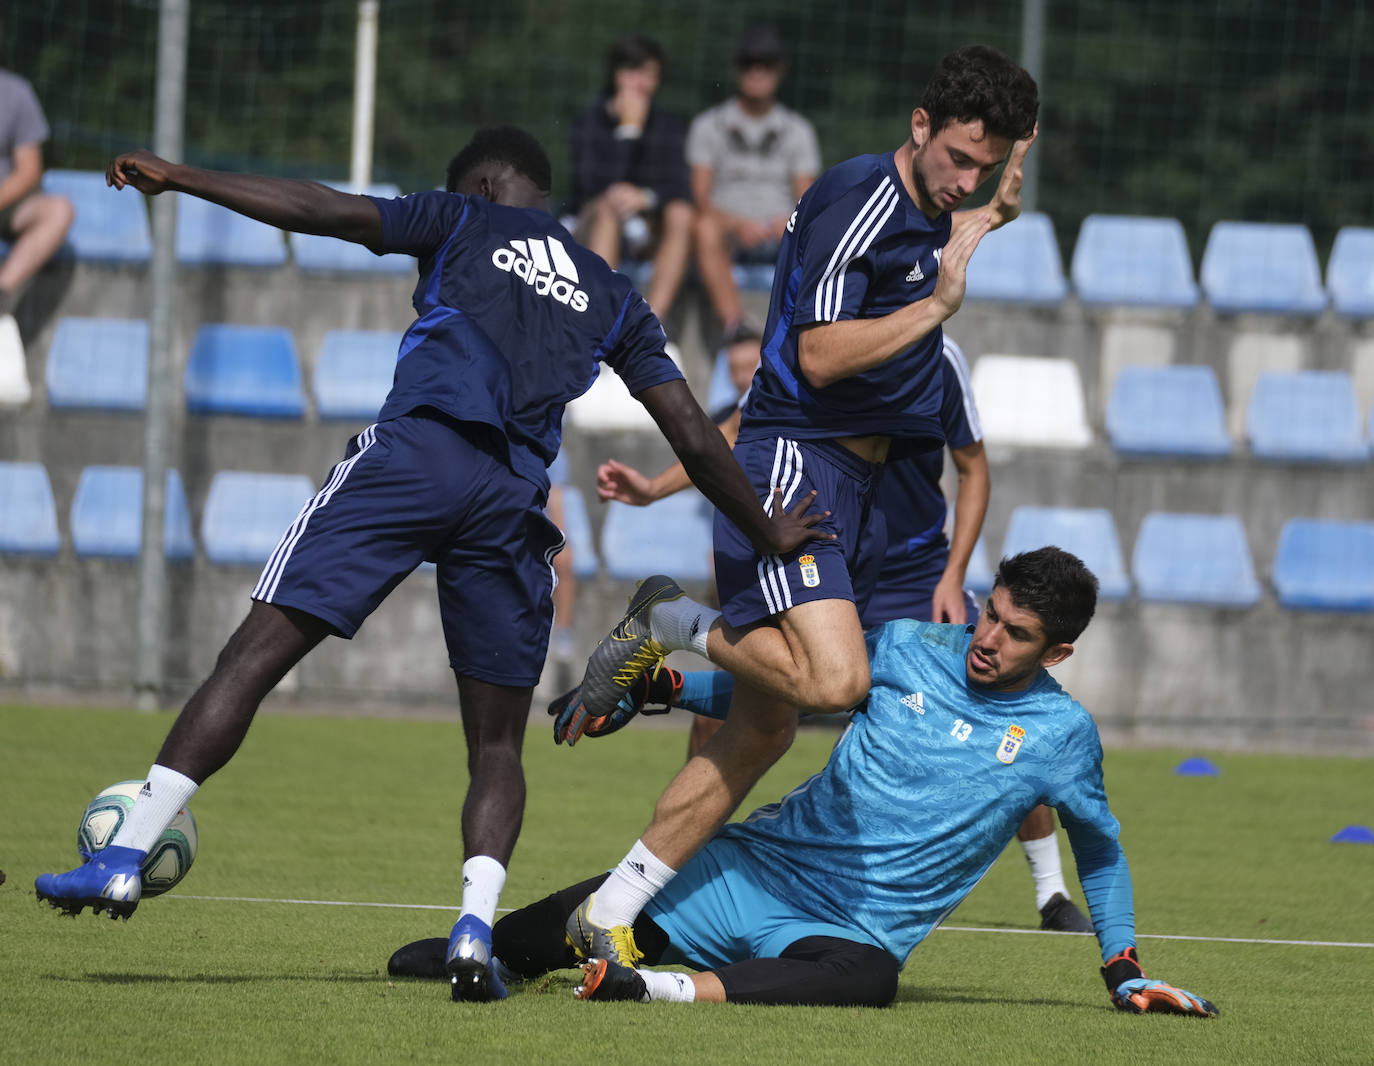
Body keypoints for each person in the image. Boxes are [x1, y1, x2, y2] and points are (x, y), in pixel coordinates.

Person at [33, 127, 827, 1003]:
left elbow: (324, 208)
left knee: (253, 656)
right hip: (512, 501)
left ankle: (125, 851)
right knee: (494, 741)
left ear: (485, 184)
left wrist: (183, 176)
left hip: (415, 459)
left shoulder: (461, 218)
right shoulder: (613, 294)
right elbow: (693, 431)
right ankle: (474, 934)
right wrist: (767, 531)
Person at [569, 44, 1040, 969]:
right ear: (918, 127)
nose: (967, 178)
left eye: (986, 166)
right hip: (795, 459)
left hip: (872, 493)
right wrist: (942, 298)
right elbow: (819, 359)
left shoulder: (946, 203)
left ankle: (609, 910)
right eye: (957, 158)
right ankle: (670, 619)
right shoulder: (856, 197)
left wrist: (990, 203)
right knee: (836, 684)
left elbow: (973, 188)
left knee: (765, 727)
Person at [387, 548, 1218, 1018]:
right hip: (753, 872)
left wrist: (1124, 970)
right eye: (989, 612)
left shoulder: (1062, 738)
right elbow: (787, 692)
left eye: (1016, 632)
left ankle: (655, 990)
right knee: (499, 951)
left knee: (871, 983)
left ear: (1058, 654)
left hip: (850, 933)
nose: (987, 636)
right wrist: (663, 691)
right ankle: (533, 949)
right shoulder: (907, 648)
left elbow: (1102, 852)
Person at [578, 334, 1092, 933]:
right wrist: (651, 489)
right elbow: (735, 429)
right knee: (761, 712)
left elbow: (973, 468)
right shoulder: (819, 342)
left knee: (1000, 718)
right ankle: (683, 864)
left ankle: (1051, 894)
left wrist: (953, 576)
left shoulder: (935, 355)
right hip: (825, 555)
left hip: (916, 575)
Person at [686, 25, 820, 337]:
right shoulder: (708, 126)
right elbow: (700, 197)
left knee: (819, 229)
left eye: (767, 63)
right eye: (748, 62)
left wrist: (789, 223)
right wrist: (735, 225)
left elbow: (807, 198)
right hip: (727, 235)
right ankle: (738, 329)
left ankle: (810, 328)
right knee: (702, 226)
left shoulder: (798, 130)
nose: (757, 71)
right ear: (736, 68)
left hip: (781, 233)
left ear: (781, 70)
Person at [567, 34, 693, 321]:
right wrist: (628, 131)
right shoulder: (588, 123)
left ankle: (653, 325)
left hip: (646, 229)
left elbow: (680, 187)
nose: (642, 84)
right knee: (609, 206)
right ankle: (600, 326)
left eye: (650, 75)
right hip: (595, 224)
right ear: (616, 74)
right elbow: (591, 187)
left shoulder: (667, 127)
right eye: (634, 73)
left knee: (682, 213)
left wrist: (645, 197)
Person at [0, 60, 74, 321]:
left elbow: (29, 170)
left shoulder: (15, 92)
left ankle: (1, 296)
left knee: (59, 210)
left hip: (7, 204)